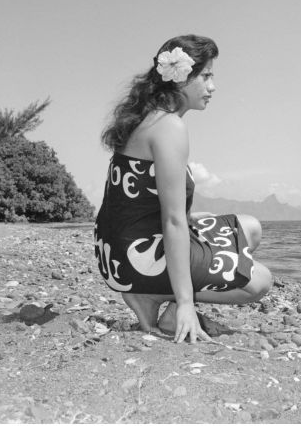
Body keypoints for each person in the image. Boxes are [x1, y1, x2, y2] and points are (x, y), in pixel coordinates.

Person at [95, 34, 273, 343]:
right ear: (180, 79)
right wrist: (187, 305)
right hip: (140, 261)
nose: (212, 86)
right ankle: (158, 300)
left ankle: (155, 295)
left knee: (250, 227)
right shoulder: (169, 128)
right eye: (206, 76)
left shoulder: (149, 120)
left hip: (117, 253)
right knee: (261, 282)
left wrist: (188, 217)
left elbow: (141, 202)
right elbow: (173, 221)